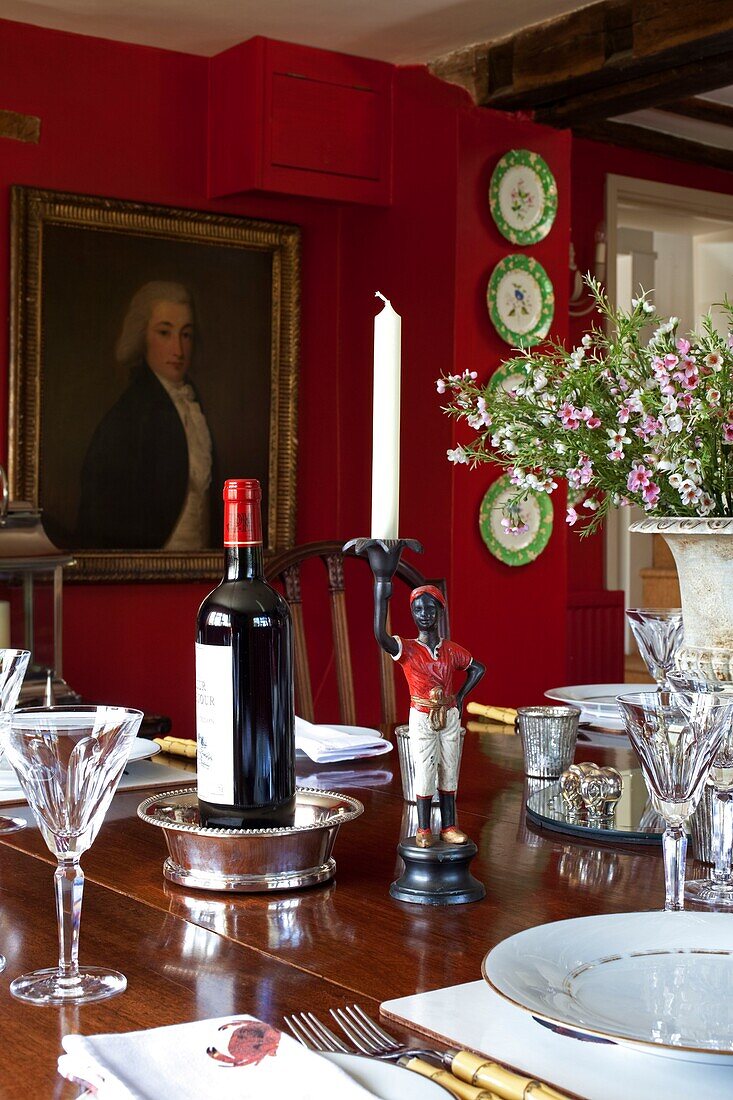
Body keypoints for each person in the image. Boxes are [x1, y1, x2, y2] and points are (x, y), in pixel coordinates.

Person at [77, 281, 215, 549]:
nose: (178, 349)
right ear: (142, 337)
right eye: (165, 333)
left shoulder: (194, 406)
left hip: (204, 570)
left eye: (185, 335)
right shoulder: (128, 417)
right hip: (153, 573)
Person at [374, 583, 485, 848]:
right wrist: (381, 593)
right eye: (417, 609)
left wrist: (458, 697)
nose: (424, 614)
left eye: (430, 607)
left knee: (449, 771)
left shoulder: (451, 650)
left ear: (440, 611)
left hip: (449, 715)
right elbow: (380, 635)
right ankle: (423, 828)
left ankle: (448, 826)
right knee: (424, 772)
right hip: (423, 715)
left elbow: (478, 669)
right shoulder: (408, 649)